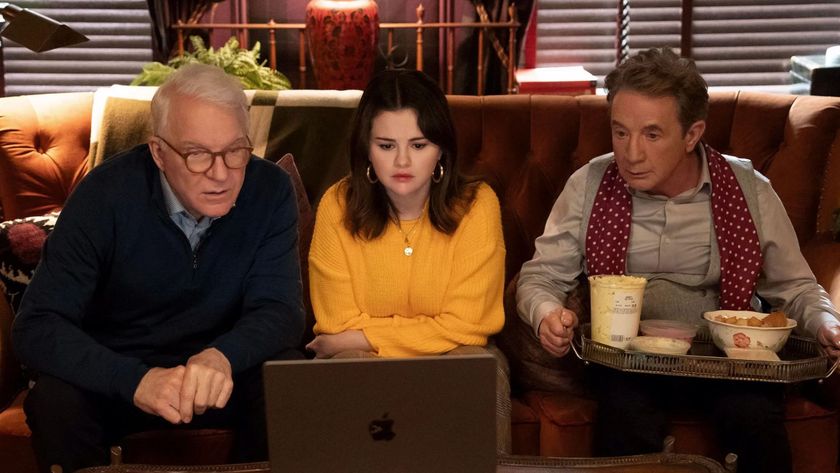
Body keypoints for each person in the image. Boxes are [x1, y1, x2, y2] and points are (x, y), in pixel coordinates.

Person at [516, 47, 840, 473]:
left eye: (652, 135)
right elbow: (540, 276)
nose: (631, 153)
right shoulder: (589, 185)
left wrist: (825, 324)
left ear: (692, 134)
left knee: (753, 418)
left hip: (726, 359)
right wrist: (546, 314)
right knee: (624, 415)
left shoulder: (749, 190)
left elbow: (794, 287)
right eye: (620, 132)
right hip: (627, 359)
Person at [12, 63, 305, 473]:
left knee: (289, 375)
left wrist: (222, 356)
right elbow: (37, 326)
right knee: (55, 398)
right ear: (159, 152)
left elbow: (281, 310)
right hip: (120, 380)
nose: (221, 174)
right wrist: (136, 380)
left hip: (223, 376)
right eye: (198, 155)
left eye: (236, 151)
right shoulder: (102, 196)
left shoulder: (270, 189)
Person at [305, 69, 510, 452]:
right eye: (386, 145)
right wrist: (358, 340)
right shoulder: (337, 204)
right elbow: (336, 324)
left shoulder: (478, 205)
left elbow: (470, 327)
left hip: (456, 354)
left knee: (477, 368)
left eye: (418, 145)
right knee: (348, 364)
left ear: (441, 150)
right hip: (359, 357)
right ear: (365, 148)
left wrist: (364, 335)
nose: (402, 161)